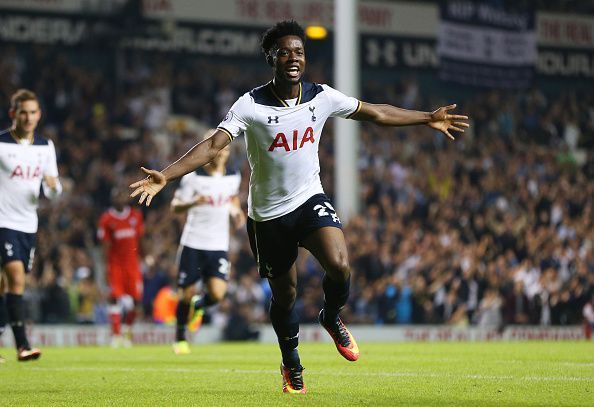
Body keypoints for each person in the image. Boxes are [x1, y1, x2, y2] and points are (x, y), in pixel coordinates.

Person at [130, 20, 469, 393]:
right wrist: (166, 174)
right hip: (268, 216)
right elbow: (213, 145)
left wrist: (426, 118)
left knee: (340, 265)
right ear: (271, 59)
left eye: (300, 52)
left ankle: (331, 316)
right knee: (285, 295)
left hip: (309, 199)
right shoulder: (251, 104)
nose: (294, 58)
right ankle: (291, 363)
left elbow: (375, 112)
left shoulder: (320, 96)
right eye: (285, 52)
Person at [0, 88, 62, 361]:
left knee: (6, 285)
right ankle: (22, 345)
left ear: (39, 115)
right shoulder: (1, 143)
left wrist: (53, 186)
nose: (28, 117)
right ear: (13, 114)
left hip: (28, 225)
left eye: (33, 112)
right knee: (16, 279)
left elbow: (53, 190)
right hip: (3, 221)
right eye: (23, 112)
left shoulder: (45, 147)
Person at [171, 132, 245, 355]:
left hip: (218, 244)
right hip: (193, 242)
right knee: (184, 294)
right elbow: (175, 206)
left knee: (218, 294)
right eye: (219, 148)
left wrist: (236, 212)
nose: (222, 152)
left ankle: (200, 306)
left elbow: (232, 199)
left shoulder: (234, 175)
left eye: (226, 149)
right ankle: (180, 337)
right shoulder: (193, 178)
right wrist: (193, 202)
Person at [98, 187, 144, 347]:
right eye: (117, 196)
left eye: (122, 195)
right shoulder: (106, 218)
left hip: (132, 265)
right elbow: (104, 245)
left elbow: (140, 241)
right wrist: (106, 268)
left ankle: (127, 330)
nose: (120, 199)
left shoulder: (135, 216)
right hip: (115, 265)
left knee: (137, 300)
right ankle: (116, 335)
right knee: (115, 298)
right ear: (112, 200)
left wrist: (145, 259)